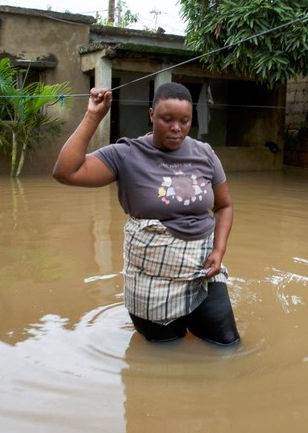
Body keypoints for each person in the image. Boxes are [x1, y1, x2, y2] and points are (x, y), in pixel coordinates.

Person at [53, 82, 240, 346]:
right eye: (167, 119)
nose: (177, 128)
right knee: (164, 353)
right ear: (152, 115)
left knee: (227, 344)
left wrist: (219, 251)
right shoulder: (127, 154)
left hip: (203, 271)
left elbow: (224, 206)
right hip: (151, 281)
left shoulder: (205, 153)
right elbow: (66, 172)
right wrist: (94, 116)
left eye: (185, 121)